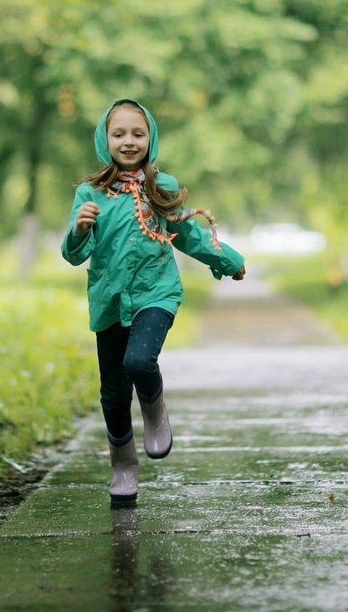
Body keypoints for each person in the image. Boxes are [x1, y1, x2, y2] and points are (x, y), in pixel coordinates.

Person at [62, 98, 246, 508]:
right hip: (109, 300)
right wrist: (78, 230)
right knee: (112, 393)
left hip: (156, 293)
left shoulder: (160, 187)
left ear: (151, 138)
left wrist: (230, 261)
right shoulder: (90, 193)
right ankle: (123, 464)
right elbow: (74, 254)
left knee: (138, 362)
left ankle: (155, 408)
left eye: (138, 134)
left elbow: (189, 236)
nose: (129, 142)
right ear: (104, 140)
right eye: (119, 134)